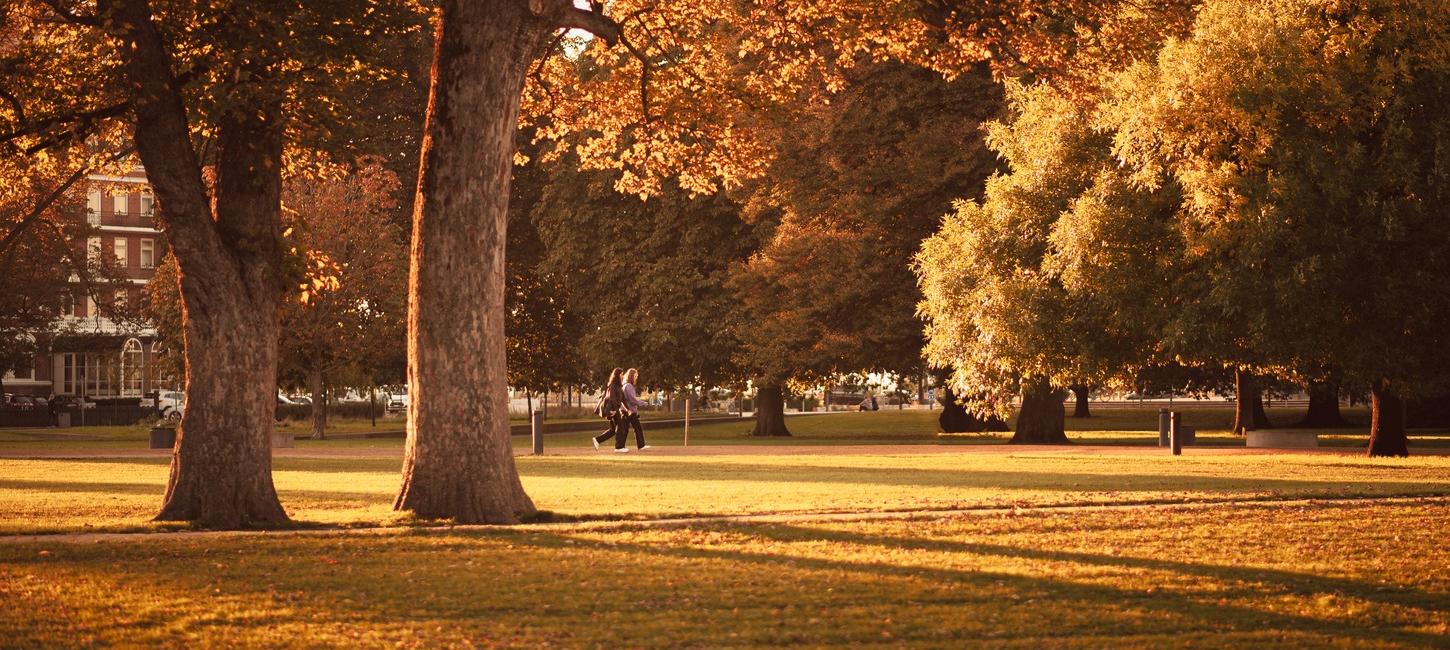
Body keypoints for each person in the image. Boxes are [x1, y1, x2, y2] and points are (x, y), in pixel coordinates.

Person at [592, 368, 631, 453]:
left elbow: (623, 399)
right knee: (621, 427)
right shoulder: (612, 385)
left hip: (615, 409)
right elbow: (612, 399)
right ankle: (619, 447)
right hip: (612, 409)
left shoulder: (619, 386)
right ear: (617, 375)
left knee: (613, 430)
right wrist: (615, 411)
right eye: (621, 374)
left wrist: (628, 409)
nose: (622, 375)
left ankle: (597, 440)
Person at [621, 368, 651, 450]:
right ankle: (640, 446)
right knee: (637, 428)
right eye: (635, 376)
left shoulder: (625, 385)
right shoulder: (629, 386)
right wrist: (643, 403)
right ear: (631, 376)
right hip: (630, 411)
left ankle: (621, 446)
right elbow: (632, 400)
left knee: (626, 429)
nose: (636, 378)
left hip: (626, 411)